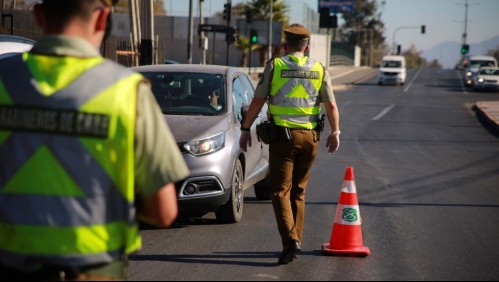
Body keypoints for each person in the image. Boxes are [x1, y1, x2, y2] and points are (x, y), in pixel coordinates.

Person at [0, 0, 189, 280]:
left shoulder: (4, 79)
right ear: (102, 19)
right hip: (95, 269)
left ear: (38, 15)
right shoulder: (127, 92)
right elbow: (164, 212)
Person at [239, 23, 340, 265]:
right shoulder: (319, 68)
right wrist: (336, 132)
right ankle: (295, 242)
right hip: (310, 139)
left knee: (279, 190)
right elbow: (332, 106)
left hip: (283, 140)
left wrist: (245, 128)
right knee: (299, 191)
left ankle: (290, 241)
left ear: (285, 45)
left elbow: (257, 101)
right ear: (307, 46)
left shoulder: (276, 66)